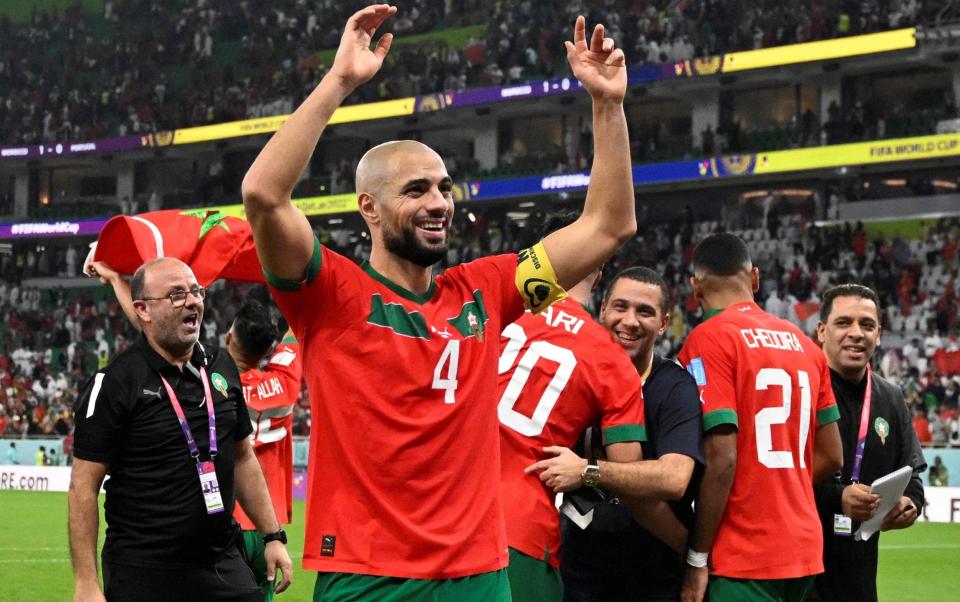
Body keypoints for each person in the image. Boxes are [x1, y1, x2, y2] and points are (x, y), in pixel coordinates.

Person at [241, 5, 636, 599]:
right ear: (369, 208)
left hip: (479, 574)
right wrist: (340, 81)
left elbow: (609, 225)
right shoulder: (330, 293)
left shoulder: (486, 290)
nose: (439, 203)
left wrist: (608, 104)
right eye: (416, 189)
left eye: (445, 188)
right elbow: (263, 196)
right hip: (368, 575)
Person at [69, 258, 293, 602]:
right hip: (144, 572)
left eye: (195, 292)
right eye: (176, 295)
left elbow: (242, 456)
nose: (192, 301)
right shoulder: (116, 382)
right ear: (141, 309)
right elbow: (84, 486)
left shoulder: (221, 367)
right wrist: (86, 582)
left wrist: (272, 535)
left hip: (221, 562)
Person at [677, 233, 843, 602]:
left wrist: (697, 557)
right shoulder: (806, 345)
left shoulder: (708, 340)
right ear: (754, 278)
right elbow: (833, 455)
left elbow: (723, 456)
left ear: (695, 287)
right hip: (803, 549)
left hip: (744, 551)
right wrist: (780, 481)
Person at [497, 214, 648, 602]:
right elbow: (628, 474)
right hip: (522, 533)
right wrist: (587, 472)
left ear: (539, 255)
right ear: (598, 272)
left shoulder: (488, 309)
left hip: (436, 514)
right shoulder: (612, 360)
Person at [546, 266, 704, 601]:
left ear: (663, 323)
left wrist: (588, 472)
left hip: (654, 571)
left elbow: (675, 478)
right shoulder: (569, 369)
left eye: (645, 312)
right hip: (578, 564)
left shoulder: (675, 387)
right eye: (620, 307)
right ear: (602, 309)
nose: (630, 321)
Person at [812, 284, 927, 602]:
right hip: (800, 577)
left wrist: (909, 505)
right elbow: (777, 480)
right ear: (822, 330)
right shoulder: (800, 388)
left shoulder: (890, 398)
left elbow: (912, 476)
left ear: (879, 334)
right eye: (843, 322)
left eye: (867, 325)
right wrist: (838, 498)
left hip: (860, 582)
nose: (856, 333)